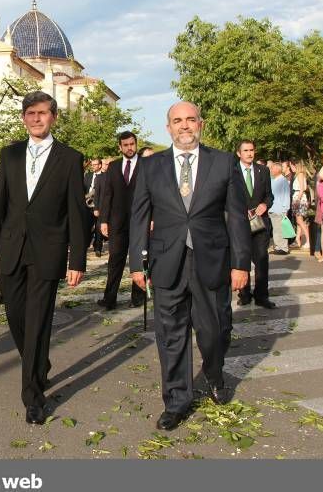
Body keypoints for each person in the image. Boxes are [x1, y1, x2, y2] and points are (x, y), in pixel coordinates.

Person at [128, 102, 250, 431]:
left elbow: (237, 217)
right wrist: (136, 263)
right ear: (168, 127)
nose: (185, 126)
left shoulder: (224, 162)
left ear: (201, 124)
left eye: (191, 120)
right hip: (166, 261)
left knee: (214, 331)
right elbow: (139, 215)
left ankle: (213, 373)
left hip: (211, 259)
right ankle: (177, 400)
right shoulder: (151, 167)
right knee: (170, 335)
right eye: (177, 121)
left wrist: (241, 264)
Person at [0, 91, 89, 425]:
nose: (37, 119)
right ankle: (39, 364)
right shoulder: (9, 154)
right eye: (30, 113)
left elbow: (76, 212)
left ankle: (32, 396)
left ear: (53, 117)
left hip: (48, 250)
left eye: (43, 113)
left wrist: (77, 260)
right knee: (16, 318)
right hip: (11, 249)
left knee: (38, 320)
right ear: (24, 118)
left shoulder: (70, 158)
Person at [97, 131, 145, 310]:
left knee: (139, 261)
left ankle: (138, 297)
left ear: (136, 144)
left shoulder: (146, 164)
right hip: (117, 224)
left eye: (132, 144)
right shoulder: (114, 167)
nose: (129, 148)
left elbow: (154, 194)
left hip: (140, 223)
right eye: (125, 145)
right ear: (120, 147)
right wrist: (103, 220)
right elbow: (107, 195)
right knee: (115, 261)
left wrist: (153, 218)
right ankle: (109, 298)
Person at [236, 140, 275, 308]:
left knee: (261, 259)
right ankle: (244, 294)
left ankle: (262, 296)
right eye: (245, 150)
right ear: (239, 153)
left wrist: (265, 205)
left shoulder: (263, 170)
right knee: (241, 259)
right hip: (240, 223)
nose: (249, 153)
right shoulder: (232, 171)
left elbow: (269, 195)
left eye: (251, 150)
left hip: (260, 223)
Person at [268, 161, 291, 255]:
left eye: (272, 168)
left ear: (277, 169)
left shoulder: (282, 180)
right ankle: (278, 246)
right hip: (273, 208)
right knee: (276, 229)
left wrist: (285, 208)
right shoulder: (275, 180)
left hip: (279, 208)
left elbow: (286, 195)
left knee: (280, 229)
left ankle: (283, 247)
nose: (271, 170)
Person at [291, 160, 312, 250]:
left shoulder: (300, 175)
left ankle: (308, 240)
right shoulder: (301, 175)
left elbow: (302, 189)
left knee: (300, 221)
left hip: (299, 198)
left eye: (291, 166)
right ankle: (297, 240)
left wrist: (297, 200)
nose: (291, 168)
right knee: (299, 221)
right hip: (299, 198)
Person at [83, 159, 103, 256]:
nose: (93, 166)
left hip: (99, 205)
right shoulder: (88, 175)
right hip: (87, 205)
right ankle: (86, 244)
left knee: (98, 228)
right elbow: (84, 188)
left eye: (95, 165)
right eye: (92, 165)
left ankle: (98, 248)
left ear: (100, 165)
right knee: (86, 226)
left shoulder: (104, 176)